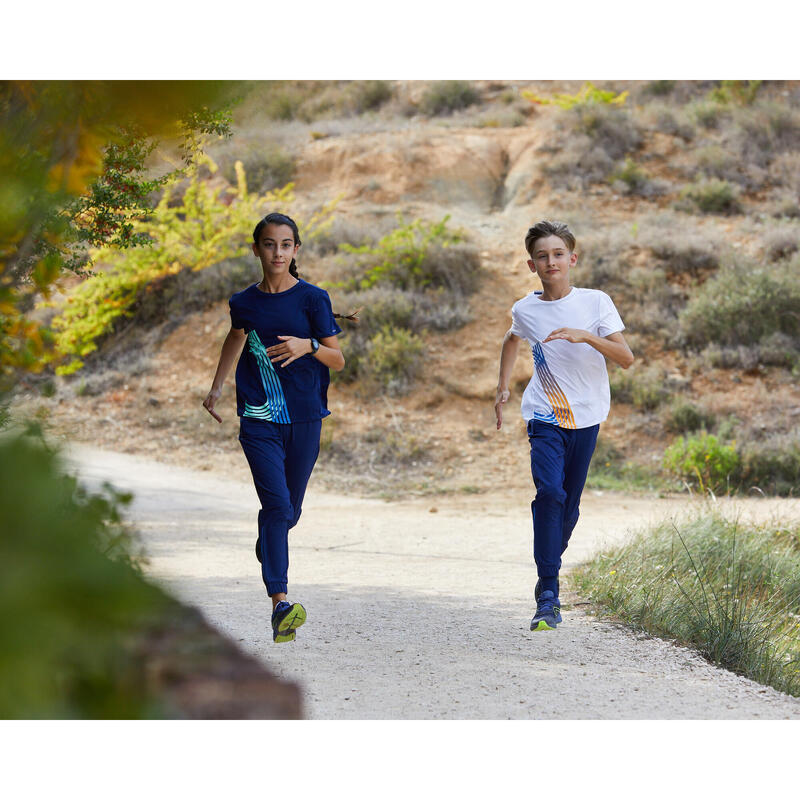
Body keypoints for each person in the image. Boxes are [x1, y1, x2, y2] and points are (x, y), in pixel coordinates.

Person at [203, 212, 345, 643]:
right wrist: (216, 389)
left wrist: (310, 345)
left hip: (305, 420)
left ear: (295, 250)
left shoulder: (313, 299)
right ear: (256, 249)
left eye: (285, 245)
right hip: (259, 420)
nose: (277, 252)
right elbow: (236, 336)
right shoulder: (244, 302)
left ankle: (269, 544)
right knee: (277, 506)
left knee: (287, 513)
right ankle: (280, 603)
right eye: (269, 244)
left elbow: (338, 359)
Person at [494, 220, 634, 631]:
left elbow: (626, 358)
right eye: (542, 256)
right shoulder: (526, 308)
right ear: (531, 264)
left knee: (568, 507)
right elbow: (511, 338)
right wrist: (502, 388)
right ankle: (548, 593)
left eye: (558, 254)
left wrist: (585, 337)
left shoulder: (596, 303)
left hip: (587, 415)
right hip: (544, 413)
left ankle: (550, 557)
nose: (551, 261)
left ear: (572, 259)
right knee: (550, 493)